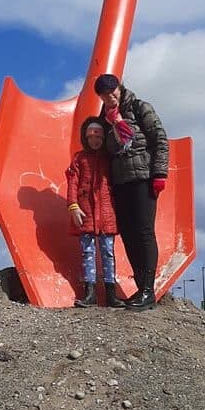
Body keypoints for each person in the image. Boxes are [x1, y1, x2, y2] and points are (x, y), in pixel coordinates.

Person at [94, 73, 168, 311]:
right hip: (120, 182)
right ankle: (141, 288)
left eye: (112, 92)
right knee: (127, 234)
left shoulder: (139, 107)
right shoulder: (104, 119)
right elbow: (103, 151)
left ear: (119, 88)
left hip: (143, 178)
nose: (109, 98)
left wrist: (159, 174)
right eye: (104, 96)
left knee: (144, 232)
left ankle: (148, 291)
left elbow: (160, 139)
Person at [66, 117, 125, 308]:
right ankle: (89, 293)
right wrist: (73, 205)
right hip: (86, 211)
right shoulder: (79, 159)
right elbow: (72, 182)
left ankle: (111, 293)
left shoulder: (110, 159)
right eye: (91, 137)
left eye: (98, 137)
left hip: (107, 213)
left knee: (108, 251)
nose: (94, 141)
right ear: (85, 138)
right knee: (87, 251)